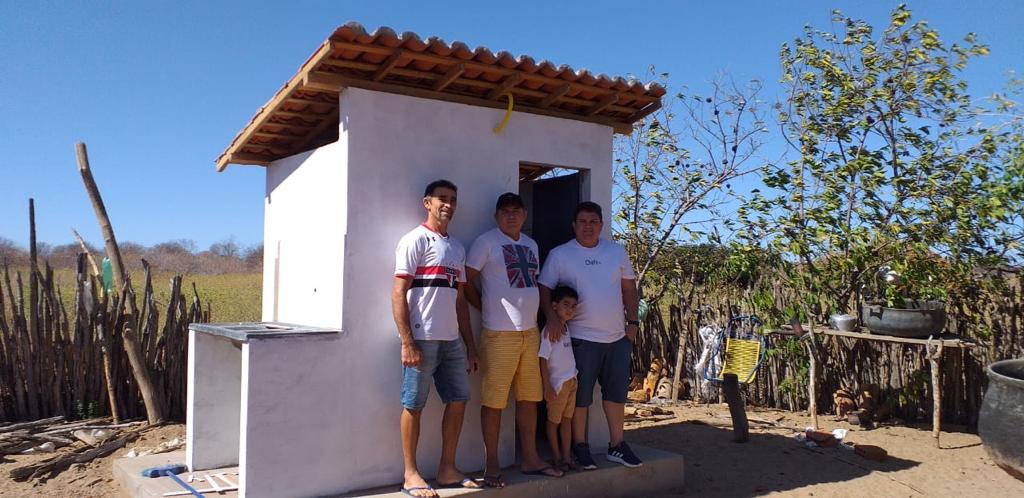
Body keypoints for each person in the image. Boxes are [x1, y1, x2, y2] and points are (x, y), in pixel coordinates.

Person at [464, 192, 563, 488]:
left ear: (524, 215)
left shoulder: (531, 244)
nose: (511, 215)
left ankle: (531, 458)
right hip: (499, 334)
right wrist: (484, 306)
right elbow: (466, 279)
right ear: (497, 216)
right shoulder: (486, 242)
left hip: (530, 333)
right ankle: (491, 464)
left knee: (530, 398)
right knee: (494, 402)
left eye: (516, 211)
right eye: (505, 211)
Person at [391, 179, 481, 498]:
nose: (448, 204)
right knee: (413, 404)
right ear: (427, 203)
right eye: (442, 198)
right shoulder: (414, 240)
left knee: (458, 401)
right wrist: (407, 341)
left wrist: (470, 344)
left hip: (452, 341)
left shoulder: (456, 248)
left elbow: (459, 301)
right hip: (422, 338)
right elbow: (399, 292)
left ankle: (447, 469)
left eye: (453, 199)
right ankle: (410, 474)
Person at [537, 201, 643, 470]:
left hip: (618, 337)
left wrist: (633, 322)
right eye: (582, 221)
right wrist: (551, 319)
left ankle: (617, 445)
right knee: (580, 396)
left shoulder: (616, 252)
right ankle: (580, 446)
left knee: (616, 394)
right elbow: (545, 287)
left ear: (601, 225)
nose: (588, 226)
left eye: (593, 221)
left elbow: (629, 289)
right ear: (574, 225)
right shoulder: (560, 254)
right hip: (581, 338)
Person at [539, 285, 580, 472]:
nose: (570, 309)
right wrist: (547, 386)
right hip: (558, 385)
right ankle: (556, 456)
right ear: (554, 306)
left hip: (571, 381)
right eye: (566, 304)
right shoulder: (550, 331)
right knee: (553, 421)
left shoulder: (566, 328)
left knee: (567, 420)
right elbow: (542, 358)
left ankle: (566, 455)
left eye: (573, 306)